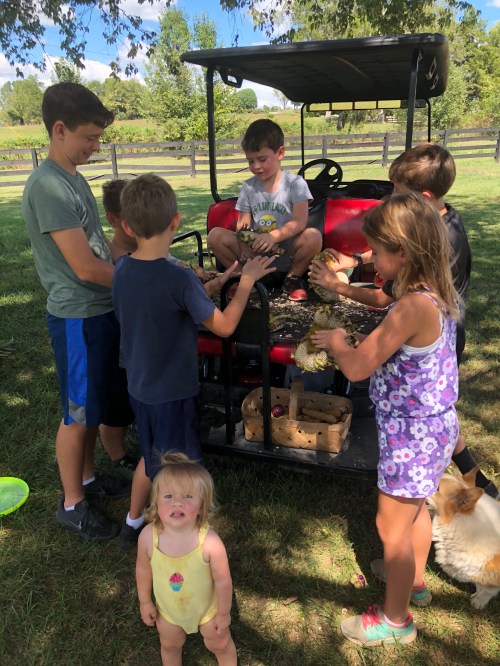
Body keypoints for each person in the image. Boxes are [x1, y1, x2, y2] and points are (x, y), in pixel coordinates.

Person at [311, 192, 461, 645]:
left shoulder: (411, 305)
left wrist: (339, 342)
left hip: (411, 436)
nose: (372, 259)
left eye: (377, 252)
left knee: (390, 528)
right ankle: (412, 582)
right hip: (433, 429)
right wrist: (367, 338)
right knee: (414, 512)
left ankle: (395, 622)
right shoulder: (431, 294)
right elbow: (400, 350)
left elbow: (357, 368)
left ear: (404, 253)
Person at [308, 142, 498, 498]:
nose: (389, 196)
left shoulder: (417, 294)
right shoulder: (440, 225)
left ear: (421, 199)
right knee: (437, 407)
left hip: (421, 383)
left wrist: (338, 299)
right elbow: (396, 245)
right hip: (434, 351)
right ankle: (473, 476)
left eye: (396, 190)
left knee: (427, 409)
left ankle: (461, 477)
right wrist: (357, 260)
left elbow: (383, 305)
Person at [112, 173, 276, 549]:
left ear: (127, 226)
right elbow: (224, 327)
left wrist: (219, 282)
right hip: (172, 393)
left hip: (140, 387)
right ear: (176, 221)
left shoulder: (122, 269)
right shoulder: (178, 279)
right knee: (181, 470)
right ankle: (183, 539)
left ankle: (131, 522)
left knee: (152, 453)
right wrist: (246, 282)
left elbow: (166, 300)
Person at [22, 82, 134, 542]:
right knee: (76, 412)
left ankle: (87, 479)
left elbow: (99, 247)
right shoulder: (48, 186)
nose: (95, 147)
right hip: (78, 315)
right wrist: (142, 282)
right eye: (89, 137)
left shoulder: (73, 178)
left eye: (98, 138)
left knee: (92, 405)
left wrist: (137, 264)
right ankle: (72, 504)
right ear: (59, 129)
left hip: (98, 309)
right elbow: (85, 267)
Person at [136, 452, 237, 665]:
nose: (177, 503)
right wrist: (145, 602)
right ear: (156, 501)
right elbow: (143, 569)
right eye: (168, 496)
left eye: (188, 496)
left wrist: (223, 614)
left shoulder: (210, 542)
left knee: (220, 644)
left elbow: (223, 581)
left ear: (202, 505)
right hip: (168, 611)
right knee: (170, 645)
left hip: (208, 610)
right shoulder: (148, 537)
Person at [207, 118, 322, 301]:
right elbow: (243, 226)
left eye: (262, 159)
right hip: (256, 252)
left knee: (313, 236)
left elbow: (300, 221)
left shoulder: (296, 184)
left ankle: (292, 278)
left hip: (286, 251)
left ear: (280, 153)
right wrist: (244, 246)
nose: (256, 166)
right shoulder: (248, 187)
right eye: (250, 161)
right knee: (215, 235)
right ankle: (243, 279)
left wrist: (272, 237)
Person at [102, 178, 230, 298]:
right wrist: (212, 287)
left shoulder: (146, 248)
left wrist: (191, 268)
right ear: (112, 220)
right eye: (134, 219)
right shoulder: (114, 264)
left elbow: (170, 261)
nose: (146, 223)